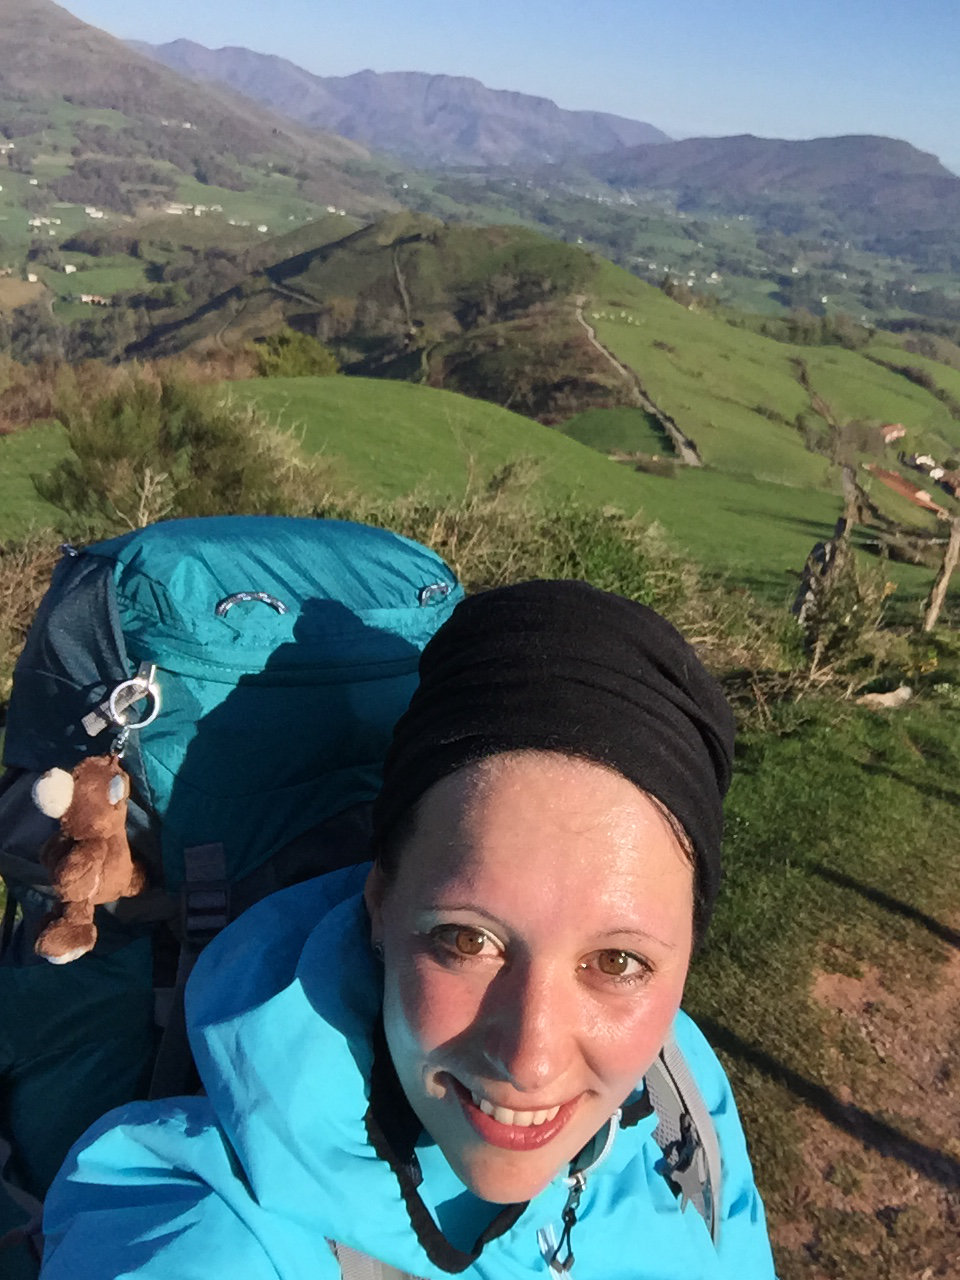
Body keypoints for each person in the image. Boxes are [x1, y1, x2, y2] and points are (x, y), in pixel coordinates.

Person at [39, 580, 778, 1279]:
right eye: (468, 940)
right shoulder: (209, 1231)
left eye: (617, 961)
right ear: (380, 904)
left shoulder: (683, 1084)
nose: (532, 1058)